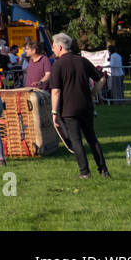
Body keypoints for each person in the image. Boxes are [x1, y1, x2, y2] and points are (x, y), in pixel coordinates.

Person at [49, 33, 110, 179]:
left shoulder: (58, 65)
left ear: (59, 47)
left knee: (76, 141)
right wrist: (92, 94)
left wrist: (53, 112)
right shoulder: (82, 61)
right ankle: (103, 170)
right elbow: (101, 79)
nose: (52, 49)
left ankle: (85, 172)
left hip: (69, 109)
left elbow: (56, 91)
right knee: (92, 138)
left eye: (53, 46)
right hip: (86, 106)